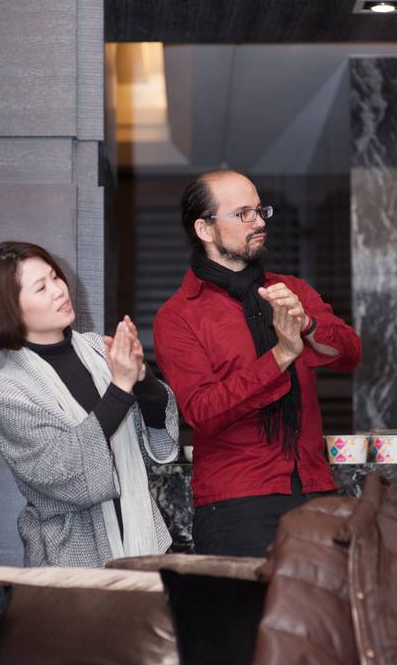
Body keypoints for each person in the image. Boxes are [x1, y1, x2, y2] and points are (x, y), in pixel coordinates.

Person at [153, 170, 361, 558]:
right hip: (238, 501)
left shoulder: (291, 290)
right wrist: (281, 355)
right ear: (204, 228)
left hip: (315, 488)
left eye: (260, 210)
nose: (259, 222)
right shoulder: (178, 316)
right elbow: (203, 411)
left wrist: (307, 323)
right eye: (243, 214)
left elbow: (350, 353)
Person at [0, 241, 178, 567]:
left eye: (55, 277)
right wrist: (120, 386)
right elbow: (63, 471)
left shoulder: (96, 348)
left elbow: (152, 438)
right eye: (41, 287)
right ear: (8, 310)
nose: (59, 290)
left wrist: (141, 374)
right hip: (70, 558)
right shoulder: (10, 391)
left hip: (147, 541)